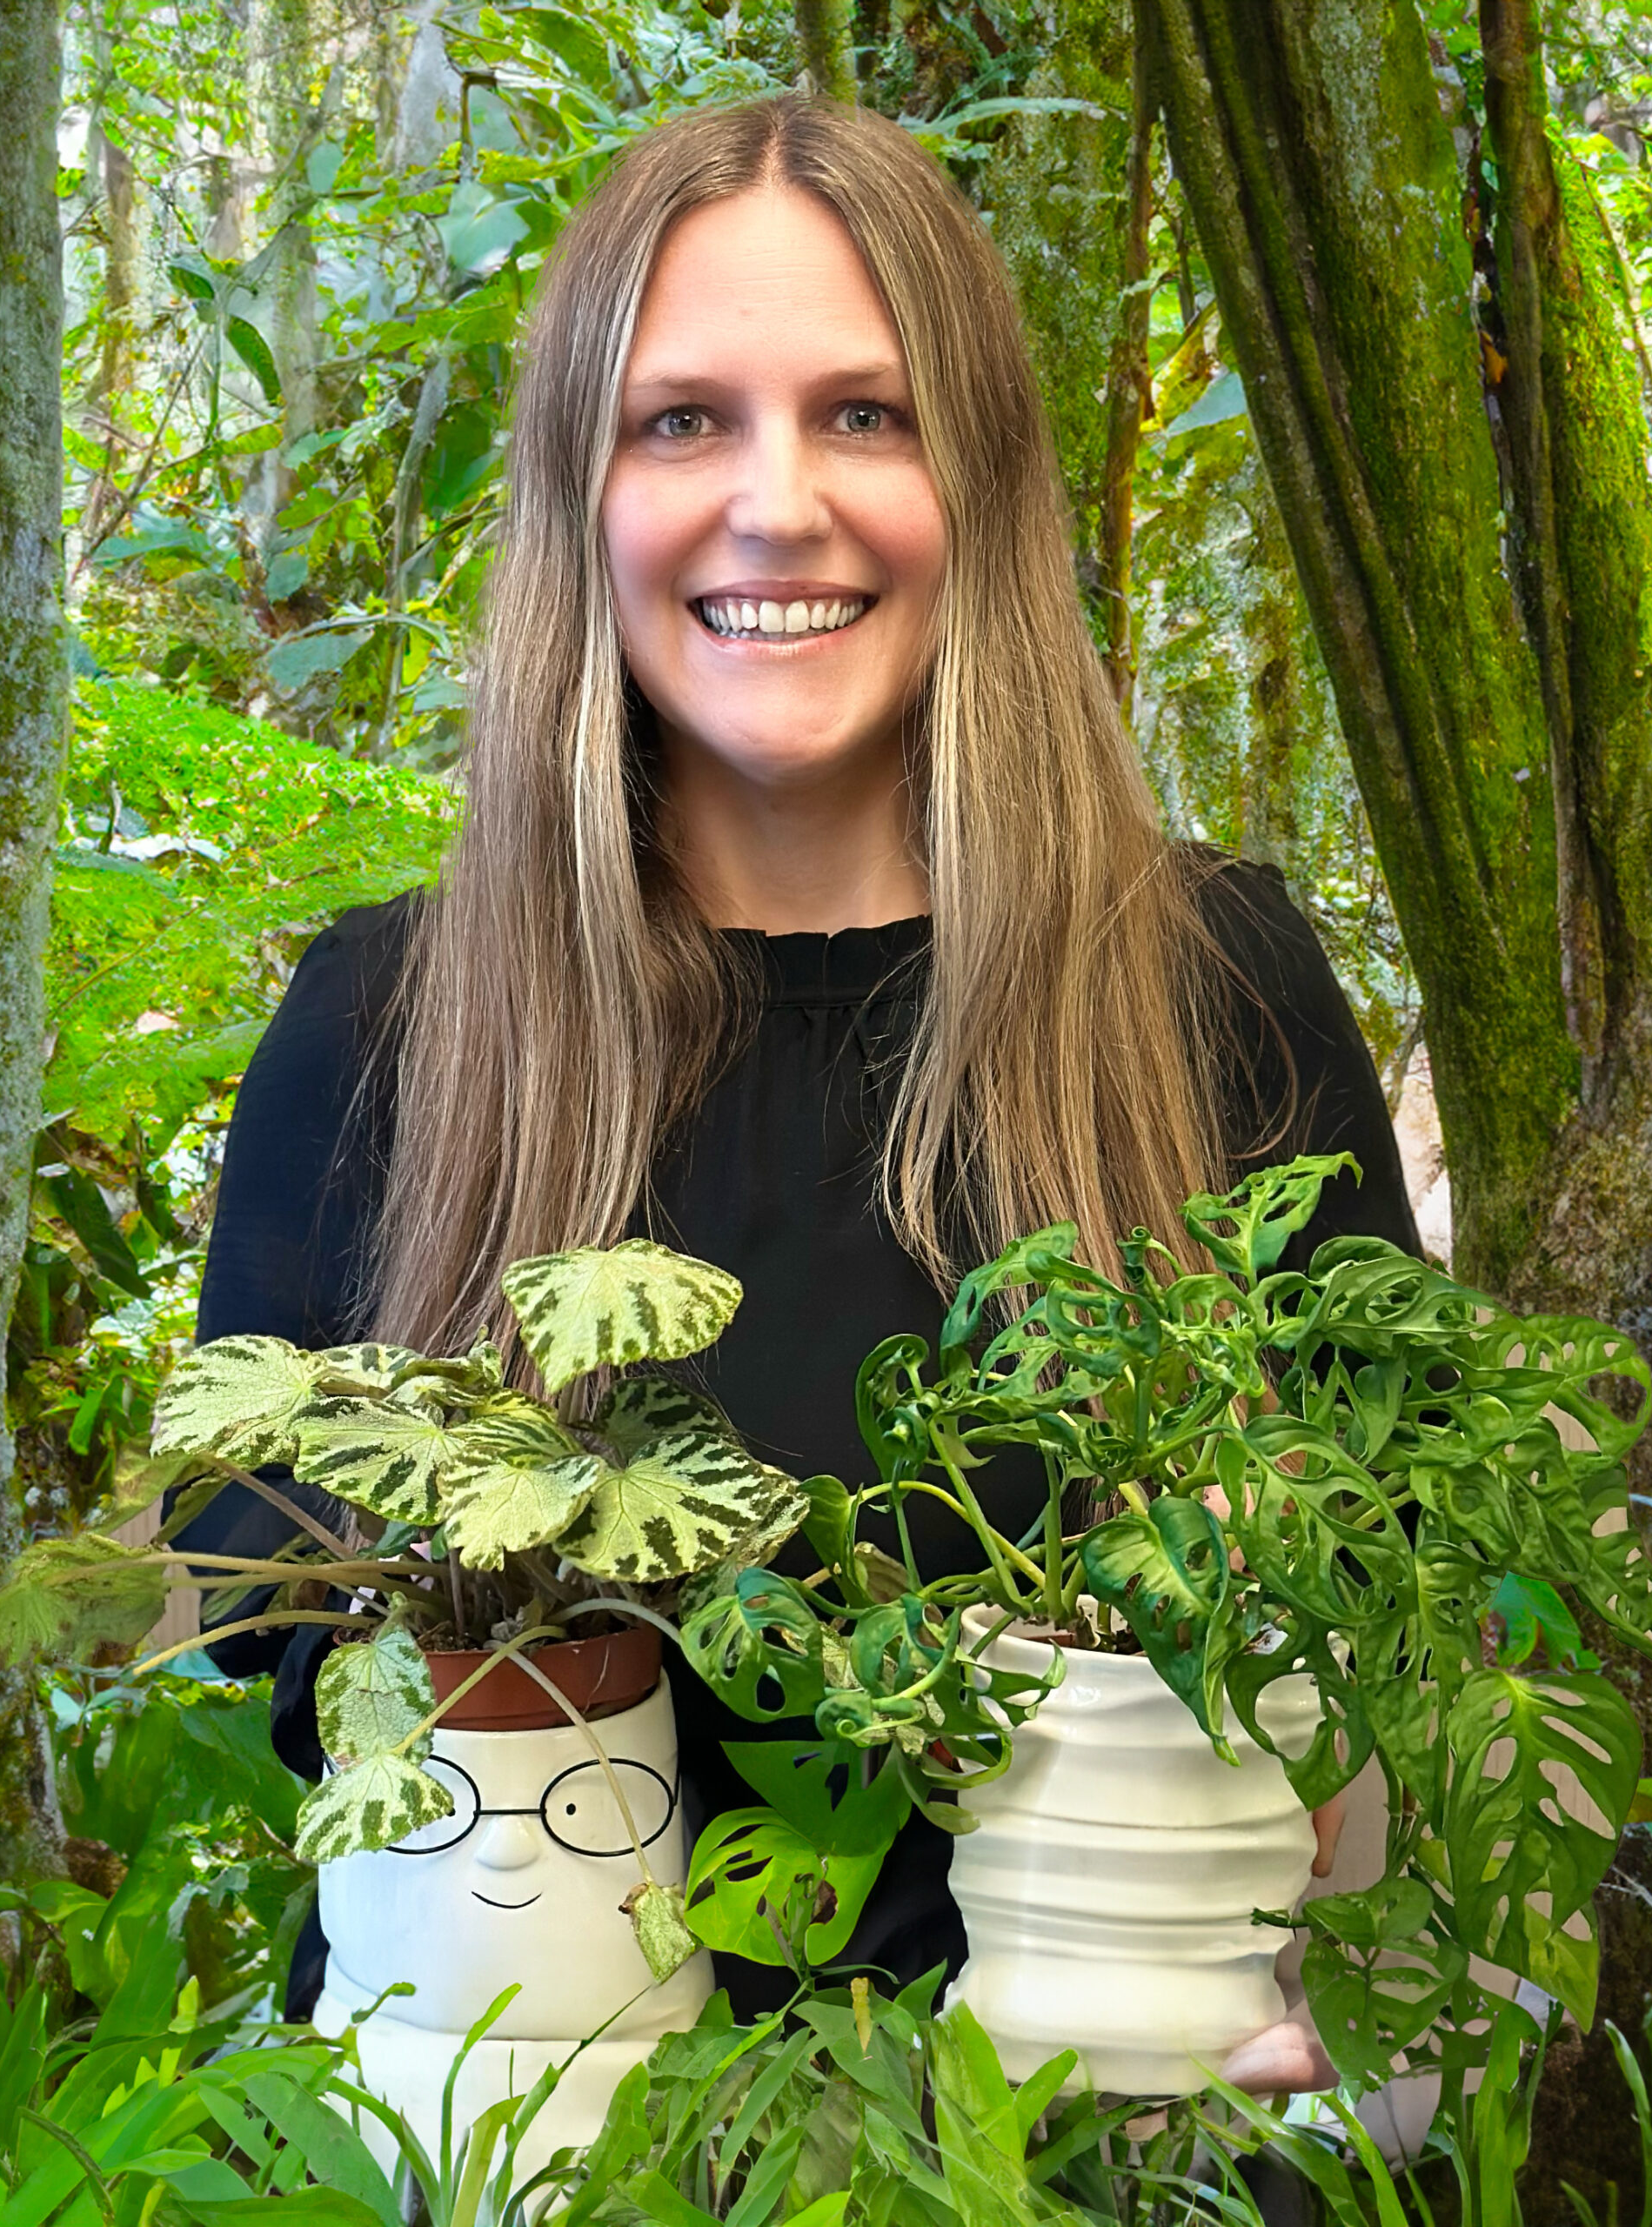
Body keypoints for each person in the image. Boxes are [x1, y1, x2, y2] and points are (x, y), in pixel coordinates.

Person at [176, 92, 1418, 2098]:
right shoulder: (384, 1026)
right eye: (683, 420)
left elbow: (1378, 1635)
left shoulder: (1209, 988)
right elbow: (296, 1658)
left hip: (1093, 2140)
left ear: (981, 482)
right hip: (538, 2147)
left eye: (866, 413)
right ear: (581, 488)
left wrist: (1307, 1968)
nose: (777, 502)